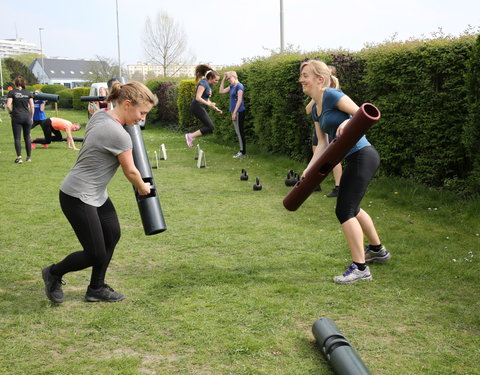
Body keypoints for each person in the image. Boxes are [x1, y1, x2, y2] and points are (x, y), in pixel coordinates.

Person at [41, 81, 158, 303]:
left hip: (96, 193)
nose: (142, 119)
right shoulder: (118, 134)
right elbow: (131, 172)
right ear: (126, 104)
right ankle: (53, 273)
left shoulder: (101, 115)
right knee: (95, 252)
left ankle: (96, 288)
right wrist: (144, 188)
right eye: (142, 112)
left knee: (112, 234)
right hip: (77, 195)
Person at [299, 59, 391, 284]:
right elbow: (321, 144)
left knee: (344, 210)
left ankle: (360, 268)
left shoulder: (332, 95)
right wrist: (308, 170)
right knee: (353, 207)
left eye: (305, 75)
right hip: (354, 159)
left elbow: (361, 112)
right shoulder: (316, 110)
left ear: (320, 79)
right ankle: (377, 250)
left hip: (363, 155)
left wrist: (348, 122)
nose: (301, 79)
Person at [305, 64, 342, 197]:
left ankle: (338, 186)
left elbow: (357, 113)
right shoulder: (318, 94)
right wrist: (315, 98)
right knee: (317, 151)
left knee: (334, 158)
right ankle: (315, 182)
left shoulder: (333, 94)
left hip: (331, 128)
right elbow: (308, 110)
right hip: (320, 126)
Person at [185, 64, 223, 147]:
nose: (217, 82)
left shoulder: (209, 85)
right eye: (216, 80)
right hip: (196, 106)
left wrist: (215, 108)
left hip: (199, 107)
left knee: (210, 127)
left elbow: (206, 99)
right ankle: (190, 136)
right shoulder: (203, 83)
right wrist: (209, 104)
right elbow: (198, 98)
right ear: (210, 78)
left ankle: (191, 136)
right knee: (210, 126)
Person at [6, 76, 34, 163]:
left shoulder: (12, 92)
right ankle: (28, 157)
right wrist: (31, 117)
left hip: (17, 117)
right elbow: (32, 107)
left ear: (15, 83)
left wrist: (11, 113)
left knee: (17, 138)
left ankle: (19, 157)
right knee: (27, 137)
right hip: (27, 117)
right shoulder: (28, 93)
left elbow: (8, 105)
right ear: (23, 83)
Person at [219, 71, 246, 158]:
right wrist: (223, 79)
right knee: (238, 132)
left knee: (240, 132)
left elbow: (239, 100)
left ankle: (242, 152)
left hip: (239, 111)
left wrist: (234, 112)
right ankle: (242, 151)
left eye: (229, 78)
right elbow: (221, 91)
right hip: (234, 112)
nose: (228, 80)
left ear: (234, 76)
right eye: (227, 79)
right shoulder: (231, 86)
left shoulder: (239, 86)